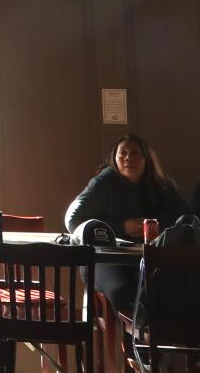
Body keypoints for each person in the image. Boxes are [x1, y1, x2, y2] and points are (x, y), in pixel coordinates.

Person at [64, 133, 185, 312]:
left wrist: (159, 229)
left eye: (135, 154)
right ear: (115, 157)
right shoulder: (103, 183)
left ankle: (156, 336)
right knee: (124, 289)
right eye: (123, 153)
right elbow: (73, 219)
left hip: (147, 259)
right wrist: (122, 227)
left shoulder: (161, 186)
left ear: (146, 159)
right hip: (104, 260)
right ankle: (131, 336)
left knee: (169, 287)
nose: (129, 158)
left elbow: (186, 219)